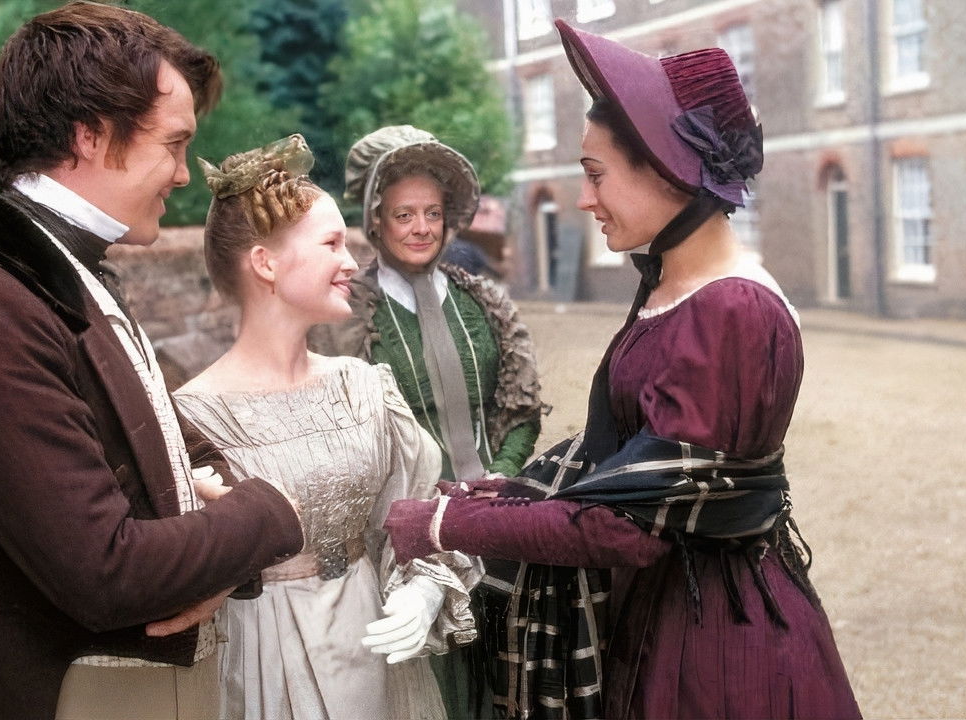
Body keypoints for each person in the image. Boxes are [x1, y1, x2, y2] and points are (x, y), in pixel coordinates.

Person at [383, 20, 861, 720]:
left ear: (666, 169)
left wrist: (445, 525)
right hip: (663, 607)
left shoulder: (732, 311)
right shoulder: (672, 286)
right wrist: (509, 495)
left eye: (595, 173)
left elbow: (625, 526)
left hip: (715, 643)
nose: (585, 198)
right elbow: (629, 463)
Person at [0, 5, 303, 719]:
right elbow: (107, 572)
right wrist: (271, 514)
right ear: (90, 134)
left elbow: (192, 455)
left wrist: (211, 560)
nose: (184, 175)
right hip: (79, 697)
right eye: (174, 145)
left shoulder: (66, 280)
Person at [177, 135, 482, 720]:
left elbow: (414, 510)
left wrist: (424, 588)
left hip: (372, 644)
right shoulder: (192, 417)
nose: (350, 261)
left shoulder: (363, 386)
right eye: (331, 243)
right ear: (265, 263)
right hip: (263, 660)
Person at [308, 125, 547, 717]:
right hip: (401, 536)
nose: (421, 228)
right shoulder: (347, 314)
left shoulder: (481, 302)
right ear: (376, 221)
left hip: (493, 523)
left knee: (503, 679)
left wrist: (496, 480)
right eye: (403, 214)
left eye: (432, 213)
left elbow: (519, 406)